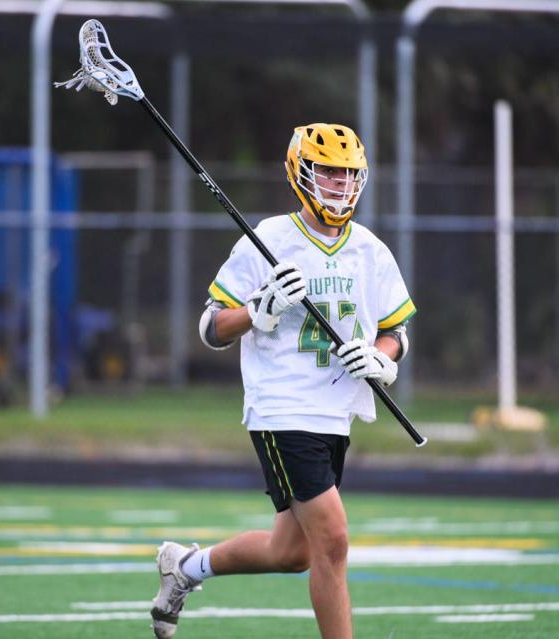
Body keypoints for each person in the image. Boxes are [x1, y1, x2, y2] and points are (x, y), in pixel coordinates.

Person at [149, 123, 416, 639]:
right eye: (329, 173)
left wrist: (383, 359)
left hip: (336, 413)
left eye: (348, 175)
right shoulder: (269, 239)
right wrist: (259, 309)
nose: (340, 185)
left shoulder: (369, 249)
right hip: (282, 408)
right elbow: (211, 327)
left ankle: (185, 568)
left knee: (292, 552)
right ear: (301, 174)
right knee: (333, 543)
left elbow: (395, 331)